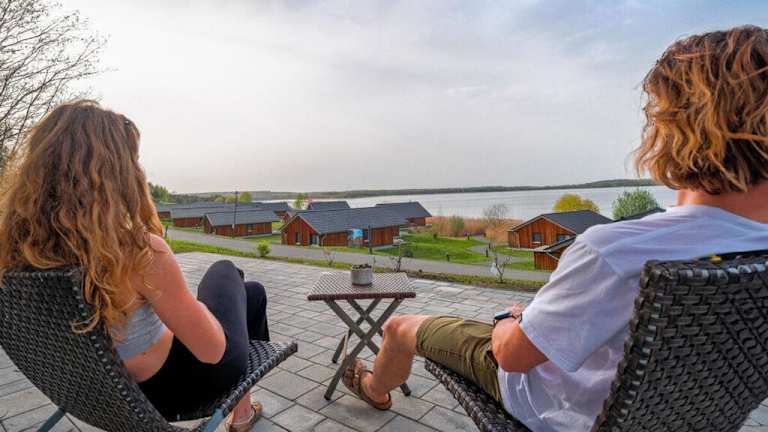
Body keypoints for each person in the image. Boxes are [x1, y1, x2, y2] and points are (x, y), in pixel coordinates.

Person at [341, 25, 768, 431]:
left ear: (677, 130)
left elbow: (511, 356)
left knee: (400, 327)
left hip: (557, 411)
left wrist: (511, 321)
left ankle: (374, 389)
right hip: (679, 416)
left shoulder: (615, 251)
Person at [0, 101, 268, 432]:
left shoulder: (18, 254)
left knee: (251, 294)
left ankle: (243, 414)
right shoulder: (137, 252)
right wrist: (196, 307)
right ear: (117, 176)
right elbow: (213, 352)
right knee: (227, 271)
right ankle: (242, 413)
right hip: (181, 387)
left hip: (99, 395)